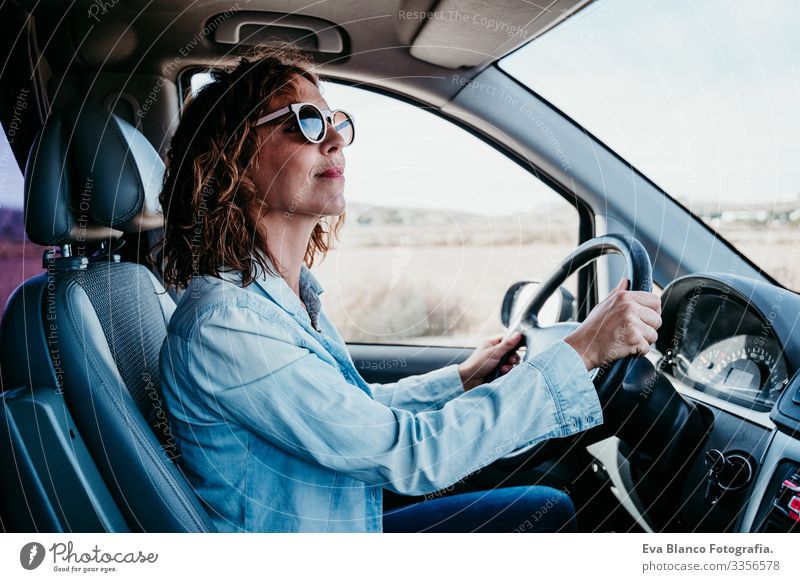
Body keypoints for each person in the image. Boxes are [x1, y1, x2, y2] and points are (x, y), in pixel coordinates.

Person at [154, 44, 662, 533]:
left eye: (336, 123)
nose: (333, 141)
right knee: (546, 511)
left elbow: (357, 410)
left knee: (543, 501)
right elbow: (409, 455)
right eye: (304, 123)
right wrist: (581, 350)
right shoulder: (228, 324)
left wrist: (462, 378)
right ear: (233, 162)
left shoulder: (284, 297)